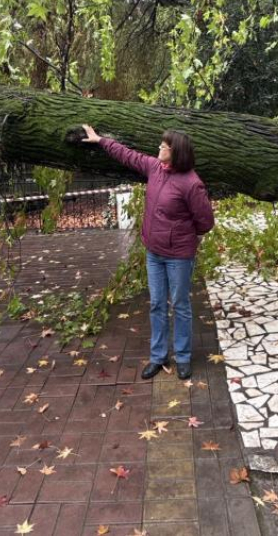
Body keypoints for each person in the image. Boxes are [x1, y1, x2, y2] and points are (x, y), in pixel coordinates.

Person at [82, 124, 214, 381]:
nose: (159, 147)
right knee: (156, 303)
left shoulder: (192, 184)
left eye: (164, 146)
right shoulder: (155, 167)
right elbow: (127, 155)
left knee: (180, 304)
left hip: (178, 257)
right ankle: (158, 356)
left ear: (177, 153)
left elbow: (205, 222)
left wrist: (184, 237)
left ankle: (183, 358)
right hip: (154, 252)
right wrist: (100, 140)